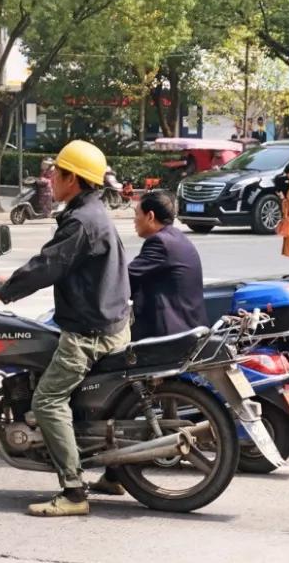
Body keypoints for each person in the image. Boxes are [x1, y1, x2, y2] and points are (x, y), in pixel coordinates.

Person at [0, 140, 131, 517]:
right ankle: (116, 472)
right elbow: (54, 262)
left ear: (73, 179)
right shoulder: (92, 212)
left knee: (47, 400)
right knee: (84, 401)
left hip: (90, 334)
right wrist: (12, 278)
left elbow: (49, 265)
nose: (50, 177)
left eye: (56, 172)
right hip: (111, 323)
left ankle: (74, 493)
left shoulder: (81, 221)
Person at [89, 190, 207, 496]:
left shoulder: (159, 243)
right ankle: (113, 476)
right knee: (123, 397)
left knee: (112, 390)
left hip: (163, 332)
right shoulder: (177, 238)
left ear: (151, 217)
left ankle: (113, 470)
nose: (134, 222)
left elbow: (126, 278)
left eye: (137, 215)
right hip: (182, 326)